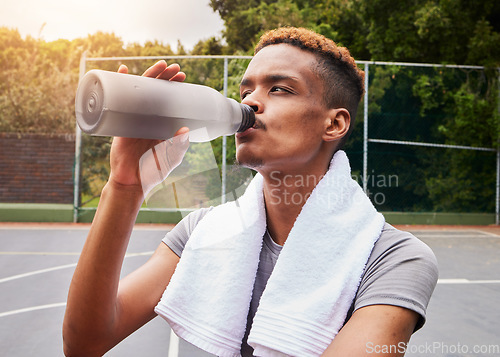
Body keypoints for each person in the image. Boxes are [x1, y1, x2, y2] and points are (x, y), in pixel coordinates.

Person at [63, 27, 438, 357]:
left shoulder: (394, 260)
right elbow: (86, 342)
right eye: (246, 90)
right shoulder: (202, 231)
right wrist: (125, 184)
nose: (250, 103)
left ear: (334, 123)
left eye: (279, 88)